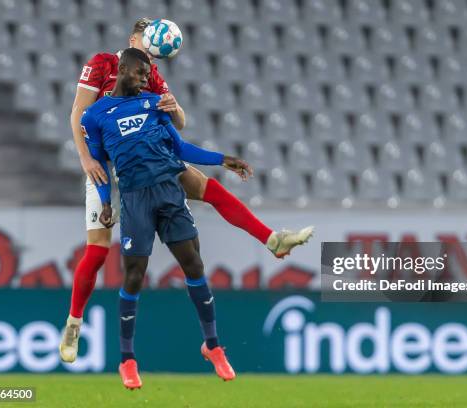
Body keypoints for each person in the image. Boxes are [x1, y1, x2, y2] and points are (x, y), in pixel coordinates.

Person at [59, 18, 314, 364]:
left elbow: (177, 125)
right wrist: (87, 158)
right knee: (98, 251)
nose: (151, 51)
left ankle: (272, 240)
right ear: (133, 37)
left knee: (208, 188)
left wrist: (175, 108)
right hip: (106, 164)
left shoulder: (149, 75)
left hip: (150, 161)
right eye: (147, 40)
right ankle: (74, 322)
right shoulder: (102, 63)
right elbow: (78, 112)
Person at [83, 48, 247, 388]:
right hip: (134, 199)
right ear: (123, 69)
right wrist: (105, 203)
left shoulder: (153, 105)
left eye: (148, 75)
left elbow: (181, 149)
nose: (146, 79)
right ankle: (127, 359)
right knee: (133, 276)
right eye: (141, 73)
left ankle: (213, 346)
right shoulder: (95, 116)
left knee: (194, 265)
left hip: (169, 192)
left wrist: (224, 159)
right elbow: (100, 166)